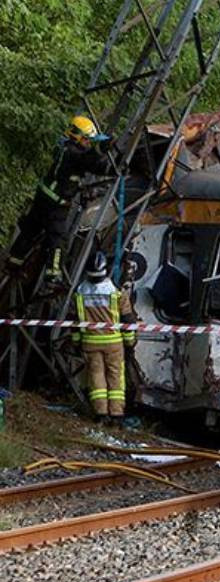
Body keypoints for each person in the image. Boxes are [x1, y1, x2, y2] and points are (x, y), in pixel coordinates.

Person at [6, 116, 112, 283]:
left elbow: (91, 164)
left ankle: (13, 261)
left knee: (30, 230)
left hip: (42, 198)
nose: (88, 143)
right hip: (57, 205)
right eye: (87, 140)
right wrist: (100, 151)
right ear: (78, 137)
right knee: (58, 239)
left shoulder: (63, 147)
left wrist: (107, 164)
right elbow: (88, 161)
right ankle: (53, 274)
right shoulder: (74, 154)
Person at [72, 251, 136, 422]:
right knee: (115, 376)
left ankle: (100, 413)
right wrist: (130, 343)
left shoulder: (80, 292)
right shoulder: (116, 292)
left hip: (90, 342)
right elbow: (128, 320)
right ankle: (116, 414)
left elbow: (75, 322)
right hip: (114, 343)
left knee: (96, 376)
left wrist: (76, 343)